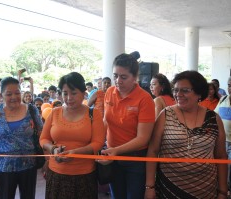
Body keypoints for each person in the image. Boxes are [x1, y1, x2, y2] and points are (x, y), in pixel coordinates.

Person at [145, 70, 228, 199]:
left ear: (199, 93)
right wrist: (149, 187)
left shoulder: (213, 119)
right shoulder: (165, 115)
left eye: (185, 90)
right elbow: (153, 151)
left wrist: (222, 191)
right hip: (169, 188)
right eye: (176, 90)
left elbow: (221, 156)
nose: (178, 94)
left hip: (205, 189)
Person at [40, 72, 105, 198]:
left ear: (83, 93)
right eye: (65, 93)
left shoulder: (93, 114)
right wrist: (53, 149)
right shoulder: (54, 113)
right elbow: (43, 138)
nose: (69, 98)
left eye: (74, 93)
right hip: (56, 173)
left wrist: (76, 152)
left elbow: (98, 143)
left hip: (84, 176)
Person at [99, 53, 155, 199]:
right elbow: (106, 121)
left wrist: (115, 151)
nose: (118, 81)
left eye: (123, 77)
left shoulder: (144, 99)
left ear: (135, 76)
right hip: (112, 156)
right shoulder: (110, 92)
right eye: (115, 76)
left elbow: (143, 138)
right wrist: (98, 144)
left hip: (135, 159)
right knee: (116, 195)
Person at [0, 77, 43, 199]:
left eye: (17, 93)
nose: (14, 97)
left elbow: (42, 135)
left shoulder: (32, 110)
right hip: (3, 167)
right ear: (1, 95)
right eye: (9, 94)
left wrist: (47, 161)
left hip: (28, 166)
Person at [215, 76, 231, 190]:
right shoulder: (223, 99)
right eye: (229, 85)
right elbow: (215, 116)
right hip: (222, 140)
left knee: (229, 168)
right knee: (220, 166)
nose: (230, 88)